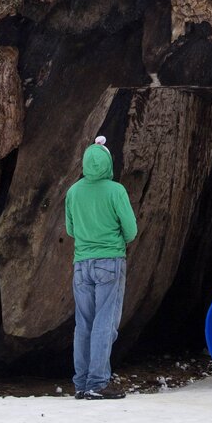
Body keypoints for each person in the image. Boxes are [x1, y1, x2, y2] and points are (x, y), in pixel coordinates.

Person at [65, 135, 138, 400]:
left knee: (83, 323)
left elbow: (70, 229)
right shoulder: (115, 190)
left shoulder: (73, 191)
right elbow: (131, 230)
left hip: (81, 264)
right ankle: (98, 381)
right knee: (104, 322)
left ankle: (81, 382)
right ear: (108, 163)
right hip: (110, 261)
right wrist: (115, 239)